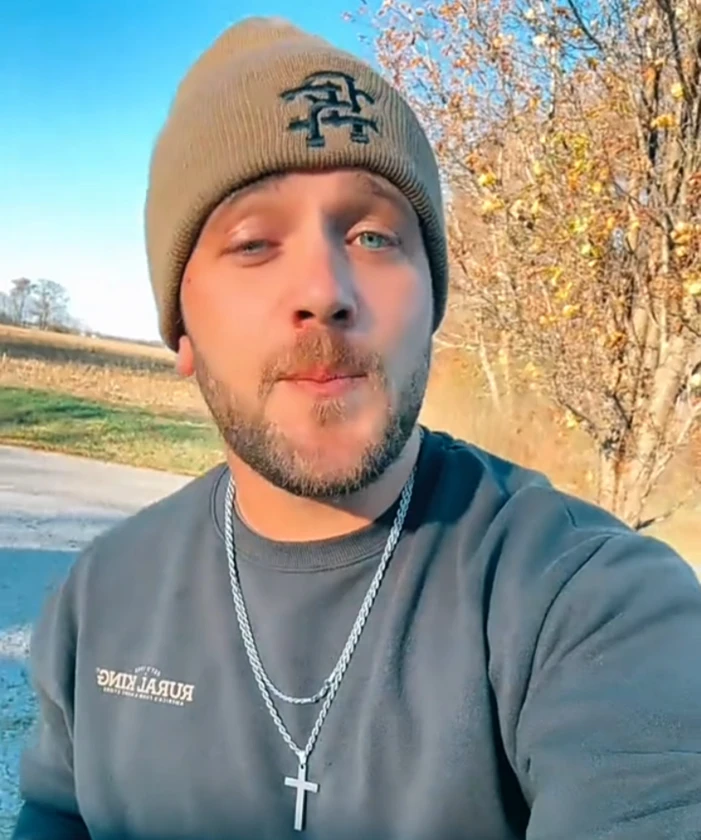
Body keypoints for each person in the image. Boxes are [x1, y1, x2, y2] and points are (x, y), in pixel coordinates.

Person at [12, 16, 701, 840]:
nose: (324, 290)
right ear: (181, 330)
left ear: (430, 307)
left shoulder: (591, 605)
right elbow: (57, 813)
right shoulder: (102, 596)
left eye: (373, 235)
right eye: (254, 243)